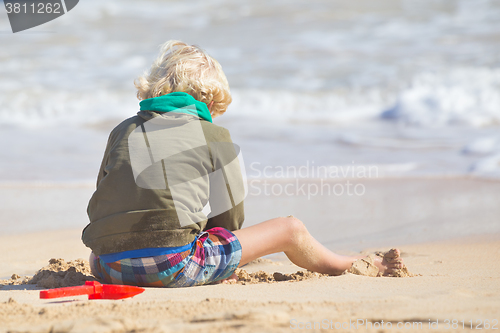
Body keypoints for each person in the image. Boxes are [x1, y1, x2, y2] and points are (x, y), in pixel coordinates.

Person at [82, 40, 404, 287]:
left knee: (125, 239)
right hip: (172, 266)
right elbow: (230, 220)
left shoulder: (121, 130)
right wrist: (218, 254)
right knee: (290, 229)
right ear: (207, 101)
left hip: (107, 265)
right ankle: (347, 264)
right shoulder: (214, 135)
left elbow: (106, 196)